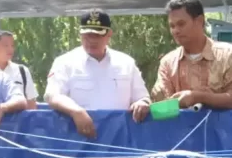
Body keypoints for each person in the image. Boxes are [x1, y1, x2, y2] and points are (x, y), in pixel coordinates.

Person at [44, 10, 151, 138]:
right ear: (80, 34)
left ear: (109, 34)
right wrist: (76, 111)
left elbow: (142, 97)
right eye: (87, 35)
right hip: (79, 140)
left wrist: (142, 103)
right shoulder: (65, 62)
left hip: (120, 139)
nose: (91, 40)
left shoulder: (126, 62)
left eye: (97, 35)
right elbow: (53, 95)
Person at [153, 0, 232, 109]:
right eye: (172, 26)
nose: (176, 31)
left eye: (181, 24)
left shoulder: (229, 55)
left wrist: (198, 97)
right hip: (182, 127)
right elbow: (163, 105)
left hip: (224, 127)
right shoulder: (167, 63)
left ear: (199, 21)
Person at [0, 30, 38, 109]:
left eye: (12, 45)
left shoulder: (22, 71)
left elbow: (32, 105)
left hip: (19, 120)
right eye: (6, 45)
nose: (10, 49)